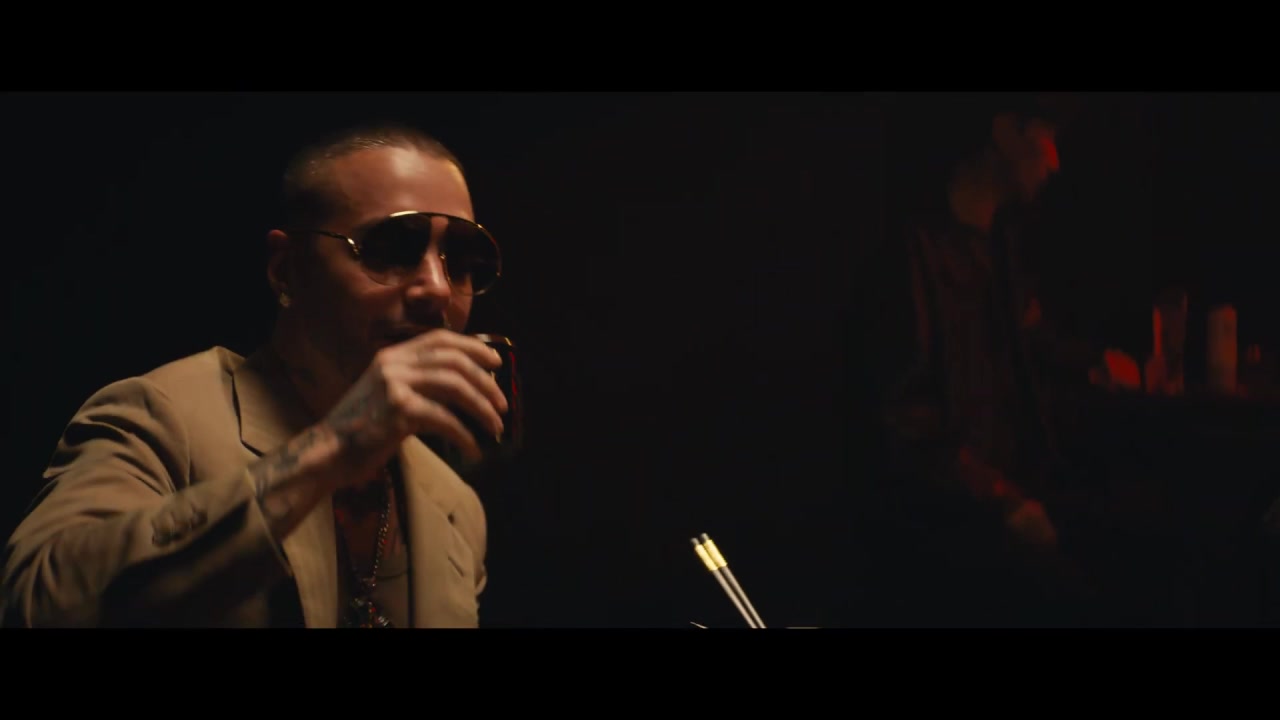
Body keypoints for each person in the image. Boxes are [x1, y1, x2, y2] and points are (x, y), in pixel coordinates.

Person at [1, 122, 509, 628]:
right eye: (392, 247)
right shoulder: (162, 417)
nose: (438, 288)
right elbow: (35, 604)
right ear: (286, 269)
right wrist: (330, 450)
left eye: (463, 261)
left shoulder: (454, 505)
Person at [849, 93, 1141, 626]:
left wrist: (1097, 365)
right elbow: (906, 424)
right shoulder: (913, 254)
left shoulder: (1001, 244)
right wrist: (1002, 500)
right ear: (1006, 131)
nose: (1055, 161)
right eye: (1046, 138)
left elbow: (1023, 341)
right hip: (953, 521)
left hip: (1016, 492)